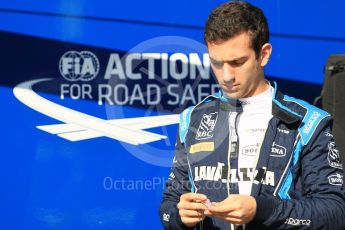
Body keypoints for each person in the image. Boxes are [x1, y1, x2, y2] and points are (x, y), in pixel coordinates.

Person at [159, 1, 345, 229]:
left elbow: (335, 212)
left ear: (263, 54)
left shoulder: (307, 122)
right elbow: (169, 204)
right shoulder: (193, 118)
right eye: (217, 63)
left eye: (238, 62)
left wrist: (261, 209)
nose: (226, 76)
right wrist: (179, 215)